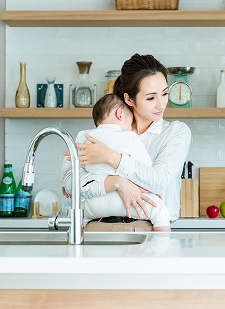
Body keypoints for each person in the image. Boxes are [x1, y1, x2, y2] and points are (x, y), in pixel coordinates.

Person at [76, 53, 192, 232]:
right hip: (99, 226)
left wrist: (111, 157)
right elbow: (73, 181)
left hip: (152, 227)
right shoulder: (105, 132)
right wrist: (117, 183)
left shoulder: (176, 132)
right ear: (129, 99)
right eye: (151, 98)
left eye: (164, 94)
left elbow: (159, 181)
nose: (161, 105)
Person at [61, 93, 171, 231]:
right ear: (120, 114)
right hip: (127, 202)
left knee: (79, 215)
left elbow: (68, 165)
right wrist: (153, 190)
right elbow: (145, 167)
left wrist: (64, 183)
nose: (131, 127)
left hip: (95, 203)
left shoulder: (84, 136)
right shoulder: (129, 137)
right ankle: (162, 244)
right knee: (159, 211)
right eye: (130, 122)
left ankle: (78, 235)